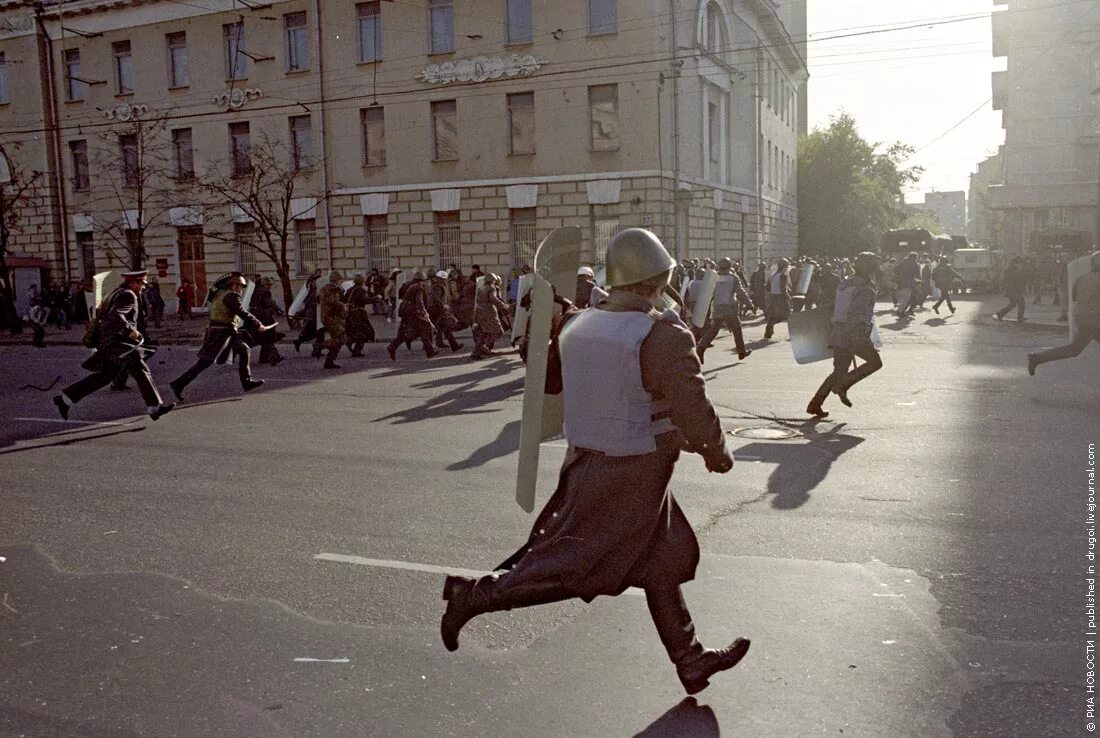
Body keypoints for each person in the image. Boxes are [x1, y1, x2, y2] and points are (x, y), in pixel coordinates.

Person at [440, 228, 749, 695]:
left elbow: (557, 387)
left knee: (659, 562)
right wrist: (715, 448)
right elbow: (691, 402)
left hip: (591, 459)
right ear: (658, 278)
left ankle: (690, 659)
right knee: (577, 565)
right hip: (632, 469)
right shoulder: (660, 331)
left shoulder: (578, 324)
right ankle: (475, 595)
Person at [54, 270, 174, 421]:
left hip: (110, 341)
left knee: (106, 376)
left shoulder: (117, 292)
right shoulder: (128, 295)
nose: (143, 287)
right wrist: (131, 331)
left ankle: (65, 399)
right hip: (119, 342)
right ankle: (154, 407)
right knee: (140, 368)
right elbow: (116, 315)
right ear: (133, 283)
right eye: (141, 283)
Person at [169, 273, 271, 401]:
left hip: (226, 329)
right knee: (205, 362)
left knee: (244, 349)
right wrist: (258, 324)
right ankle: (178, 384)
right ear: (233, 285)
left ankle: (247, 382)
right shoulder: (231, 296)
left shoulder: (220, 293)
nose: (241, 289)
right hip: (221, 332)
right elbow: (242, 312)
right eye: (240, 286)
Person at [806, 252, 883, 418]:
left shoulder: (845, 283)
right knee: (875, 363)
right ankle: (844, 384)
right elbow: (856, 314)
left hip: (840, 332)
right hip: (854, 334)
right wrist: (855, 336)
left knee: (839, 371)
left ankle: (815, 403)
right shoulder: (865, 288)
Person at [1028, 251, 1100, 375]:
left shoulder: (1081, 278)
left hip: (1083, 318)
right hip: (1095, 320)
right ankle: (1037, 358)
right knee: (1074, 349)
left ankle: (1038, 358)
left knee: (1074, 349)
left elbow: (1075, 297)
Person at [698, 257, 752, 361]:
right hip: (730, 308)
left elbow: (707, 294)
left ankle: (700, 347)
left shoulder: (713, 278)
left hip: (717, 308)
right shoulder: (734, 278)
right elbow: (740, 292)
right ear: (729, 266)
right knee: (737, 330)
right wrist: (749, 303)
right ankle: (741, 352)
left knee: (713, 330)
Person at [387, 271, 437, 360]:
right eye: (424, 281)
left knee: (403, 332)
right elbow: (419, 301)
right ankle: (430, 351)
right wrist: (424, 312)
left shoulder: (409, 285)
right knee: (425, 328)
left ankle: (392, 347)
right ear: (421, 280)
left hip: (406, 311)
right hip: (414, 312)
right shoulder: (419, 288)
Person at [470, 273, 509, 361]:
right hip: (489, 312)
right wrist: (503, 305)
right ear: (492, 280)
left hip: (480, 312)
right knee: (499, 331)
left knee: (484, 332)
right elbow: (493, 298)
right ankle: (482, 347)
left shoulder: (481, 287)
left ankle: (477, 352)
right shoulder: (491, 287)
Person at [251, 276, 285, 366]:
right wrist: (279, 310)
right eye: (269, 285)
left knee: (264, 337)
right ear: (266, 285)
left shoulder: (255, 290)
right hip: (264, 316)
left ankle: (263, 358)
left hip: (255, 315)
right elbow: (269, 303)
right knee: (268, 336)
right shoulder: (265, 291)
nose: (270, 287)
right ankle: (274, 357)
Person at [317, 271, 348, 369]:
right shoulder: (334, 290)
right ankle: (322, 345)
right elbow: (334, 302)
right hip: (332, 317)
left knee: (338, 337)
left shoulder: (323, 289)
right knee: (341, 338)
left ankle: (329, 361)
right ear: (337, 280)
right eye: (340, 280)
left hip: (326, 316)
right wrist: (343, 306)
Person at [427, 270, 462, 353]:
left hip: (437, 309)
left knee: (442, 327)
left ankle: (445, 344)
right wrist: (443, 305)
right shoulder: (438, 286)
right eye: (445, 279)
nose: (446, 281)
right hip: (438, 310)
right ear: (442, 279)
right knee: (437, 327)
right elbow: (436, 297)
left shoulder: (435, 285)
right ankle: (429, 346)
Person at [344, 273, 376, 357]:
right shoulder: (361, 290)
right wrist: (376, 299)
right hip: (358, 313)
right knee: (365, 331)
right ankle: (356, 350)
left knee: (354, 330)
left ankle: (350, 341)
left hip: (350, 313)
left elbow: (344, 299)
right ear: (362, 281)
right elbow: (365, 300)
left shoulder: (350, 289)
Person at [292, 268, 324, 352]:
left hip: (313, 316)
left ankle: (300, 342)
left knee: (316, 334)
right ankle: (315, 350)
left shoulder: (312, 291)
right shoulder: (314, 293)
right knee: (318, 333)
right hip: (314, 316)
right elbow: (312, 306)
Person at [763, 258, 791, 339]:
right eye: (787, 266)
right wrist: (787, 296)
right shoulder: (783, 276)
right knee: (787, 315)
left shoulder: (773, 275)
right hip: (780, 298)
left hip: (772, 297)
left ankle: (768, 331)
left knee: (773, 316)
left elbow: (767, 287)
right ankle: (793, 334)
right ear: (784, 267)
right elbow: (783, 288)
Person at [995, 257, 1028, 322]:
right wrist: (1022, 290)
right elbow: (1017, 282)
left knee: (1013, 304)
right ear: (1015, 263)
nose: (1021, 265)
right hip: (1014, 291)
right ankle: (1020, 317)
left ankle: (1000, 314)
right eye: (1019, 263)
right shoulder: (1013, 271)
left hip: (1012, 290)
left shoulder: (1010, 270)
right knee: (1021, 303)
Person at [894, 253, 920, 318]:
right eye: (916, 258)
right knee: (912, 297)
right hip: (910, 283)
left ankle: (903, 311)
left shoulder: (903, 262)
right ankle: (902, 311)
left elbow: (896, 270)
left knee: (907, 297)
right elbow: (917, 274)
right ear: (914, 257)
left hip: (901, 283)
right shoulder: (914, 264)